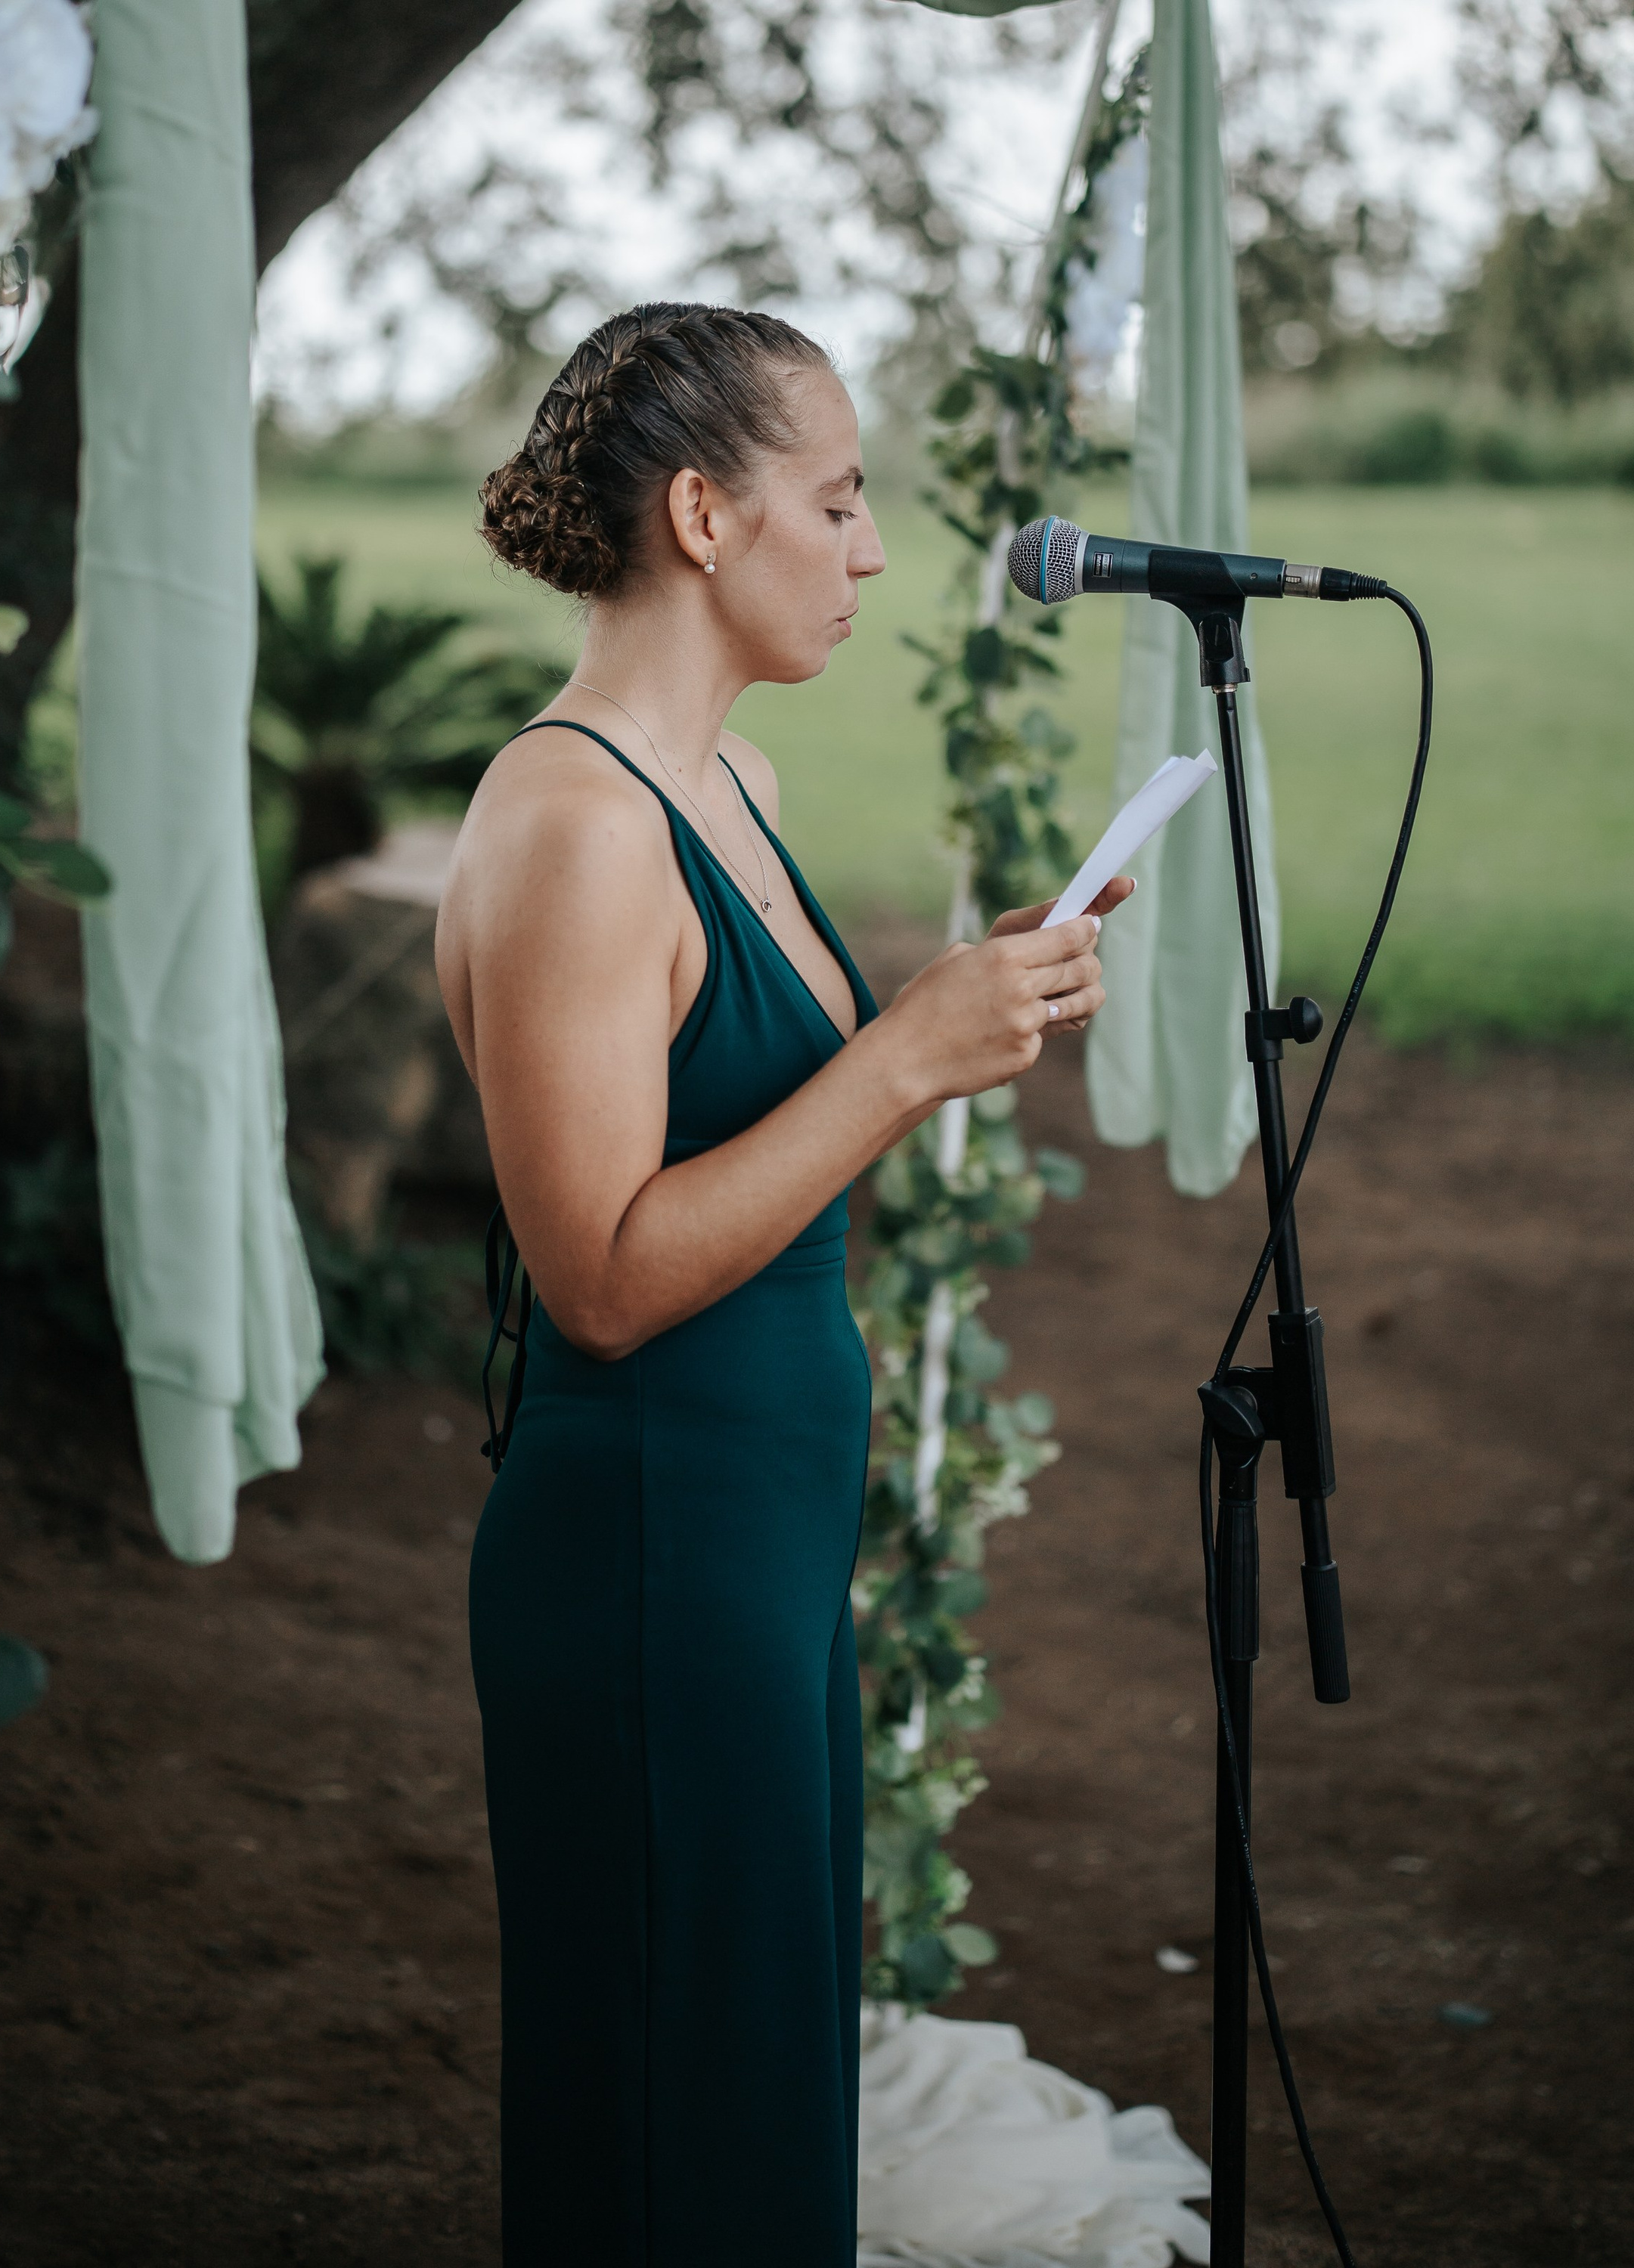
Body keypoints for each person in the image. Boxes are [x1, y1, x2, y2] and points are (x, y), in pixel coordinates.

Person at [436, 301, 1132, 2267]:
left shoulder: (723, 787)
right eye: (836, 500)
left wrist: (959, 1010)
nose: (873, 545)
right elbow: (599, 1278)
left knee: (748, 2082)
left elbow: (766, 1120)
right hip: (645, 1561)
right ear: (701, 516)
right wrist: (907, 1055)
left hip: (752, 1544)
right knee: (670, 2117)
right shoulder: (576, 823)